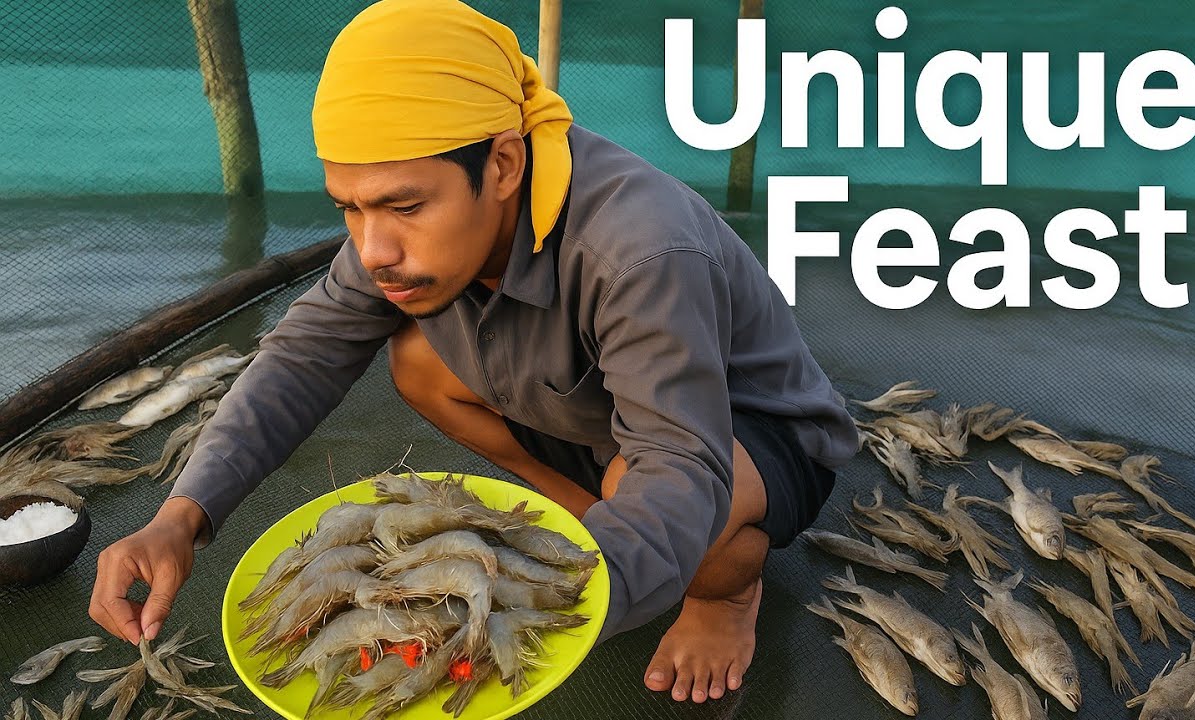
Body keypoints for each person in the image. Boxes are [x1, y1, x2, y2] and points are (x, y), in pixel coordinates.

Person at [89, 0, 859, 705]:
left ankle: (724, 593)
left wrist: (516, 609)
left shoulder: (641, 249)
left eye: (404, 206)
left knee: (652, 494)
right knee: (418, 363)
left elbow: (679, 462)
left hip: (740, 431)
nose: (374, 247)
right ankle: (591, 513)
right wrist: (180, 518)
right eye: (350, 209)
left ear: (503, 164)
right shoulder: (398, 233)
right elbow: (300, 356)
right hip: (594, 404)